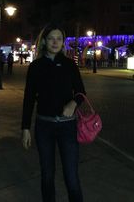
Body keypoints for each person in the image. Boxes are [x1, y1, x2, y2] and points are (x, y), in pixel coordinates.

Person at [21, 24, 86, 202]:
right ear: (44, 41)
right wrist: (25, 128)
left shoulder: (69, 65)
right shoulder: (35, 66)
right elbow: (28, 98)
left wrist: (73, 102)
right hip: (44, 127)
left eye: (59, 38)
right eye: (51, 38)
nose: (55, 42)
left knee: (71, 176)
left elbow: (81, 92)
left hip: (67, 127)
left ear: (63, 42)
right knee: (47, 174)